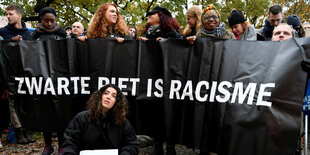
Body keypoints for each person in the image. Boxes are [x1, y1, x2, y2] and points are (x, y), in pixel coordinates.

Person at [29, 6, 67, 155]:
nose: (49, 24)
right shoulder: (35, 35)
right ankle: (47, 144)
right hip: (41, 80)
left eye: (52, 21)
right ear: (41, 20)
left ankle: (62, 144)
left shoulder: (62, 34)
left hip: (59, 80)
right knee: (46, 113)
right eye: (46, 21)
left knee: (60, 112)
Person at [62, 84, 138, 154]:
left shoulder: (122, 121)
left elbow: (131, 144)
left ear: (117, 102)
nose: (108, 97)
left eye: (113, 96)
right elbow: (70, 142)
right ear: (100, 96)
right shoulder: (81, 118)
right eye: (106, 93)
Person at [0, 4, 34, 145]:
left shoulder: (29, 33)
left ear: (19, 15)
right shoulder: (2, 32)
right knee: (13, 103)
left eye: (10, 14)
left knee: (27, 102)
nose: (8, 16)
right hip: (10, 74)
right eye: (7, 14)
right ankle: (19, 131)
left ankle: (26, 130)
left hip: (27, 73)